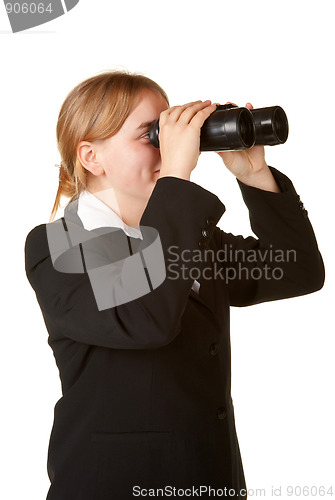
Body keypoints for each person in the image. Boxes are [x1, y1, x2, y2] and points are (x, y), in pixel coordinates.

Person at [24, 70, 325, 500]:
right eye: (152, 135)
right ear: (91, 157)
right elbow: (145, 318)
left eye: (169, 131)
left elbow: (297, 270)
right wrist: (177, 178)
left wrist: (254, 174)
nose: (169, 148)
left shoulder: (190, 238)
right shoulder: (58, 246)